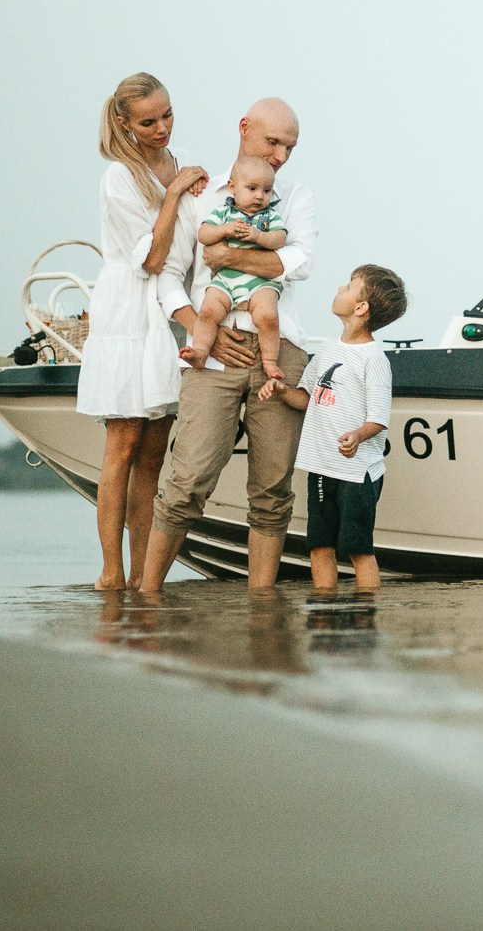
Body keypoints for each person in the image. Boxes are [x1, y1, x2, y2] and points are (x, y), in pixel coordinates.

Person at [139, 98, 316, 594]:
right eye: (273, 142)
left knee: (272, 488)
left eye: (290, 147)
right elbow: (170, 275)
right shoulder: (202, 194)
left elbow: (297, 262)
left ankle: (261, 606)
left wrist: (223, 253)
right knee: (187, 480)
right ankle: (145, 599)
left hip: (278, 351)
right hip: (212, 353)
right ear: (244, 128)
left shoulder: (295, 196)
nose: (281, 156)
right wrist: (206, 335)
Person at [74, 73, 209, 590]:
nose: (162, 128)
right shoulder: (119, 178)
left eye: (167, 115)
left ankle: (144, 577)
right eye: (149, 121)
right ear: (125, 124)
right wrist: (174, 193)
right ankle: (112, 571)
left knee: (155, 450)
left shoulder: (185, 162)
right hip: (130, 307)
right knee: (123, 444)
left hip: (171, 306)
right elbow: (150, 258)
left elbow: (193, 241)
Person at [260, 266, 408, 593]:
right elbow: (308, 399)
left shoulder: (374, 360)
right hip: (322, 467)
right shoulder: (328, 349)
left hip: (358, 473)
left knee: (357, 549)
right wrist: (282, 390)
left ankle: (365, 617)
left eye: (349, 285)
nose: (340, 287)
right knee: (319, 545)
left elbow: (379, 418)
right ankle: (322, 617)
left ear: (360, 308)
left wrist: (358, 436)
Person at [179, 155, 289, 379]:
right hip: (226, 279)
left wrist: (259, 236)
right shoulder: (223, 213)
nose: (260, 196)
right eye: (252, 188)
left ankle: (269, 361)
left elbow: (280, 239)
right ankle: (200, 352)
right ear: (233, 188)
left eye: (267, 191)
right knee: (208, 312)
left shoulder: (269, 216)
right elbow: (204, 234)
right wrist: (225, 230)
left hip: (259, 281)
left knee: (268, 317)